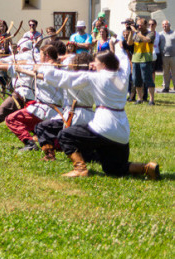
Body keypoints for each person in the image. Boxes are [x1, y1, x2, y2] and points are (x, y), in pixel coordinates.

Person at [44, 45, 160, 180]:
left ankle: (80, 169)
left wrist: (45, 68)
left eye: (96, 62)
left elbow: (65, 78)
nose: (93, 64)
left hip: (103, 127)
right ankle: (146, 167)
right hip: (122, 131)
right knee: (113, 169)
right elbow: (123, 59)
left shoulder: (96, 78)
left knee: (65, 135)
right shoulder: (122, 75)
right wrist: (119, 46)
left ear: (104, 65)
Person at [34, 52, 95, 161]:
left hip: (76, 116)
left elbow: (55, 76)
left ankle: (53, 155)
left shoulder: (74, 78)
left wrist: (40, 68)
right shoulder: (94, 78)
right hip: (88, 115)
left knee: (70, 140)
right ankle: (50, 154)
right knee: (43, 127)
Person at [4, 45, 64, 152]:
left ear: (46, 55)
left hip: (46, 109)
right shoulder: (55, 67)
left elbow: (46, 76)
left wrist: (22, 70)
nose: (39, 57)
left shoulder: (51, 68)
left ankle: (30, 143)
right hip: (53, 110)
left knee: (11, 119)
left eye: (40, 55)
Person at [126, 17, 155, 105]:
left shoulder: (150, 33)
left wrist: (136, 31)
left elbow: (146, 40)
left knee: (148, 80)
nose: (139, 27)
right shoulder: (136, 34)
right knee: (136, 80)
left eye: (140, 25)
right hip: (136, 60)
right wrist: (131, 32)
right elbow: (129, 43)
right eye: (137, 25)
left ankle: (151, 100)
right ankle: (139, 98)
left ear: (146, 25)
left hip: (146, 59)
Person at [161, 20, 175, 92]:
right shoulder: (160, 34)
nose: (164, 26)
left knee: (174, 72)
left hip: (173, 56)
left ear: (169, 25)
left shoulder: (174, 33)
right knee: (165, 73)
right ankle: (166, 87)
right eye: (163, 24)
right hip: (164, 56)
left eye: (166, 24)